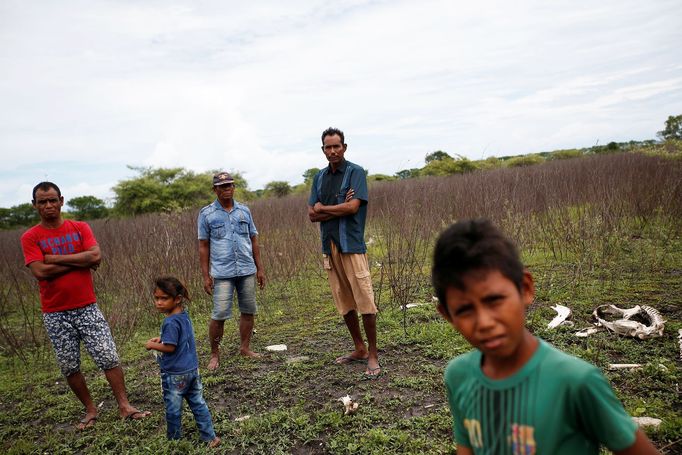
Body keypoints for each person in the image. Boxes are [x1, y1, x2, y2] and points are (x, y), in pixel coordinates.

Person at [432, 219, 660, 455]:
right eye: (464, 310)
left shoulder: (576, 382)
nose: (485, 323)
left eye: (495, 300)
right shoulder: (458, 376)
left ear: (526, 289)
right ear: (447, 314)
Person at [20, 181, 150, 429]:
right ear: (34, 205)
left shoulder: (80, 228)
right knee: (69, 365)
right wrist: (80, 260)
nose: (48, 205)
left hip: (86, 306)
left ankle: (124, 405)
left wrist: (55, 258)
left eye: (52, 200)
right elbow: (40, 271)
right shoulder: (31, 237)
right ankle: (90, 409)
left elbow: (95, 256)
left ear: (61, 200)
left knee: (108, 356)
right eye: (42, 201)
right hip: (55, 313)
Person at [308, 127, 381, 378]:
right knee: (344, 301)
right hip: (329, 246)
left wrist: (324, 208)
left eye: (336, 146)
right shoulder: (319, 178)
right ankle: (359, 349)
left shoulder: (355, 172)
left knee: (365, 300)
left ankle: (372, 354)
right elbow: (311, 214)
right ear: (323, 150)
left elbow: (352, 208)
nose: (332, 151)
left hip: (351, 244)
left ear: (344, 147)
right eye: (328, 147)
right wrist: (333, 208)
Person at [198, 171, 266, 370]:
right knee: (219, 314)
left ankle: (245, 348)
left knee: (248, 310)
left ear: (234, 187)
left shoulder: (244, 211)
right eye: (222, 186)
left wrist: (260, 269)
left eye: (229, 185)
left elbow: (253, 239)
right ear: (215, 189)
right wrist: (205, 275)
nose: (226, 189)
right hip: (222, 272)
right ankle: (214, 354)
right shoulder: (206, 214)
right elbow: (203, 245)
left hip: (246, 268)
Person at [145, 277, 221, 448]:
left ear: (177, 299)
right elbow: (180, 339)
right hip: (192, 370)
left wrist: (152, 345)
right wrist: (162, 339)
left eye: (163, 298)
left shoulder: (170, 321)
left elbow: (171, 347)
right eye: (156, 298)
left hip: (175, 375)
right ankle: (210, 437)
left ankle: (174, 441)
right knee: (198, 403)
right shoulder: (183, 316)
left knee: (173, 409)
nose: (158, 302)